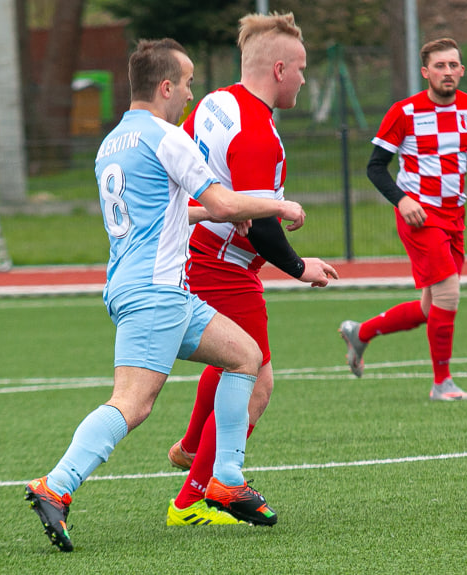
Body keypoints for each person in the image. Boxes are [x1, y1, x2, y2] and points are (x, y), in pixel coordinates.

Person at [24, 38, 308, 552]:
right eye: (189, 82)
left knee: (245, 356)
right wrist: (277, 206)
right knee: (133, 403)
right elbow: (220, 204)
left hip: (153, 290)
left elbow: (173, 209)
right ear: (166, 86)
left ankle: (225, 478)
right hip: (155, 294)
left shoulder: (113, 143)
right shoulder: (167, 137)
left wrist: (227, 208)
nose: (191, 94)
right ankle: (56, 486)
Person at [164, 12, 338, 527]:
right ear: (280, 69)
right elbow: (261, 224)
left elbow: (186, 168)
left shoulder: (216, 101)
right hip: (223, 265)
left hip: (196, 250)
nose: (305, 80)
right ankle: (197, 496)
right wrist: (299, 265)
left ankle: (192, 448)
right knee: (256, 377)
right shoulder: (259, 133)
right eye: (302, 69)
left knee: (229, 360)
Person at [338, 37, 467, 401]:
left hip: (455, 218)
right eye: (440, 66)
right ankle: (442, 383)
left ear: (462, 70)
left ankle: (360, 332)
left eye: (453, 66)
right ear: (425, 71)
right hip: (419, 218)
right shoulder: (405, 112)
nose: (448, 72)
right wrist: (401, 201)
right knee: (449, 293)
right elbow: (375, 167)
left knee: (433, 308)